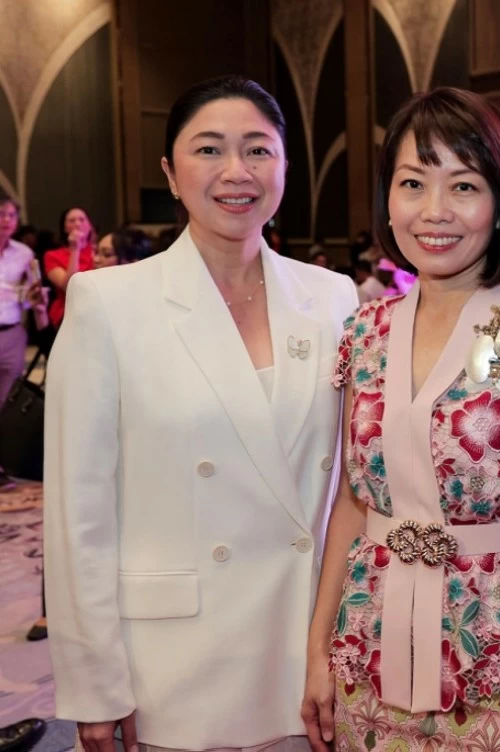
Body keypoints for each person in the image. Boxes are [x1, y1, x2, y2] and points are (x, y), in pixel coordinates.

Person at [44, 75, 358, 752]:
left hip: (307, 657)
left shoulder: (335, 299)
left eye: (258, 151)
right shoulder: (111, 304)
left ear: (285, 166)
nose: (235, 173)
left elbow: (355, 487)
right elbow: (79, 515)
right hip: (173, 668)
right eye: (209, 150)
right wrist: (94, 684)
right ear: (170, 171)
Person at [302, 87, 500, 752]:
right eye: (413, 183)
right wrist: (317, 651)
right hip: (372, 648)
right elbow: (354, 506)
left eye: (464, 186)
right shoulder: (365, 330)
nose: (435, 212)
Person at [0, 196, 43, 491]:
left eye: (12, 215)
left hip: (12, 331)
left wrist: (34, 297)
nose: (7, 220)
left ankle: (3, 464)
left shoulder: (24, 253)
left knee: (5, 402)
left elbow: (32, 294)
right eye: (2, 214)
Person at [43, 206, 96, 328]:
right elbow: (69, 287)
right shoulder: (52, 255)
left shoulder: (100, 253)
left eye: (82, 220)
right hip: (68, 313)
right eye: (72, 221)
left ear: (89, 225)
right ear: (65, 228)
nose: (77, 223)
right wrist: (75, 249)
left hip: (95, 309)